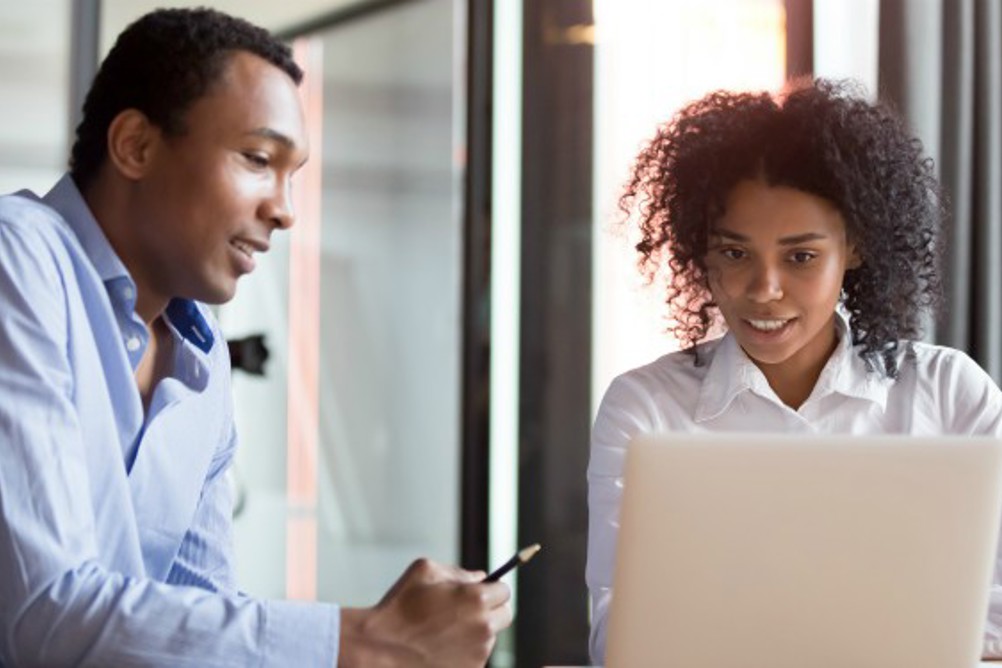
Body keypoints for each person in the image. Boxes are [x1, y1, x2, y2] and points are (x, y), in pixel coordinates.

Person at [0, 7, 510, 666]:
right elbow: (46, 616)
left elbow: (199, 614)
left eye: (291, 175)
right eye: (258, 158)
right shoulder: (19, 261)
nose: (285, 209)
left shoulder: (201, 351)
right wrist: (371, 640)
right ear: (135, 146)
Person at [586, 78, 1002, 663]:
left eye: (801, 257)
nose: (764, 289)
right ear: (699, 249)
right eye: (734, 253)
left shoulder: (952, 395)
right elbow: (616, 637)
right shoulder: (645, 408)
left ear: (854, 248)